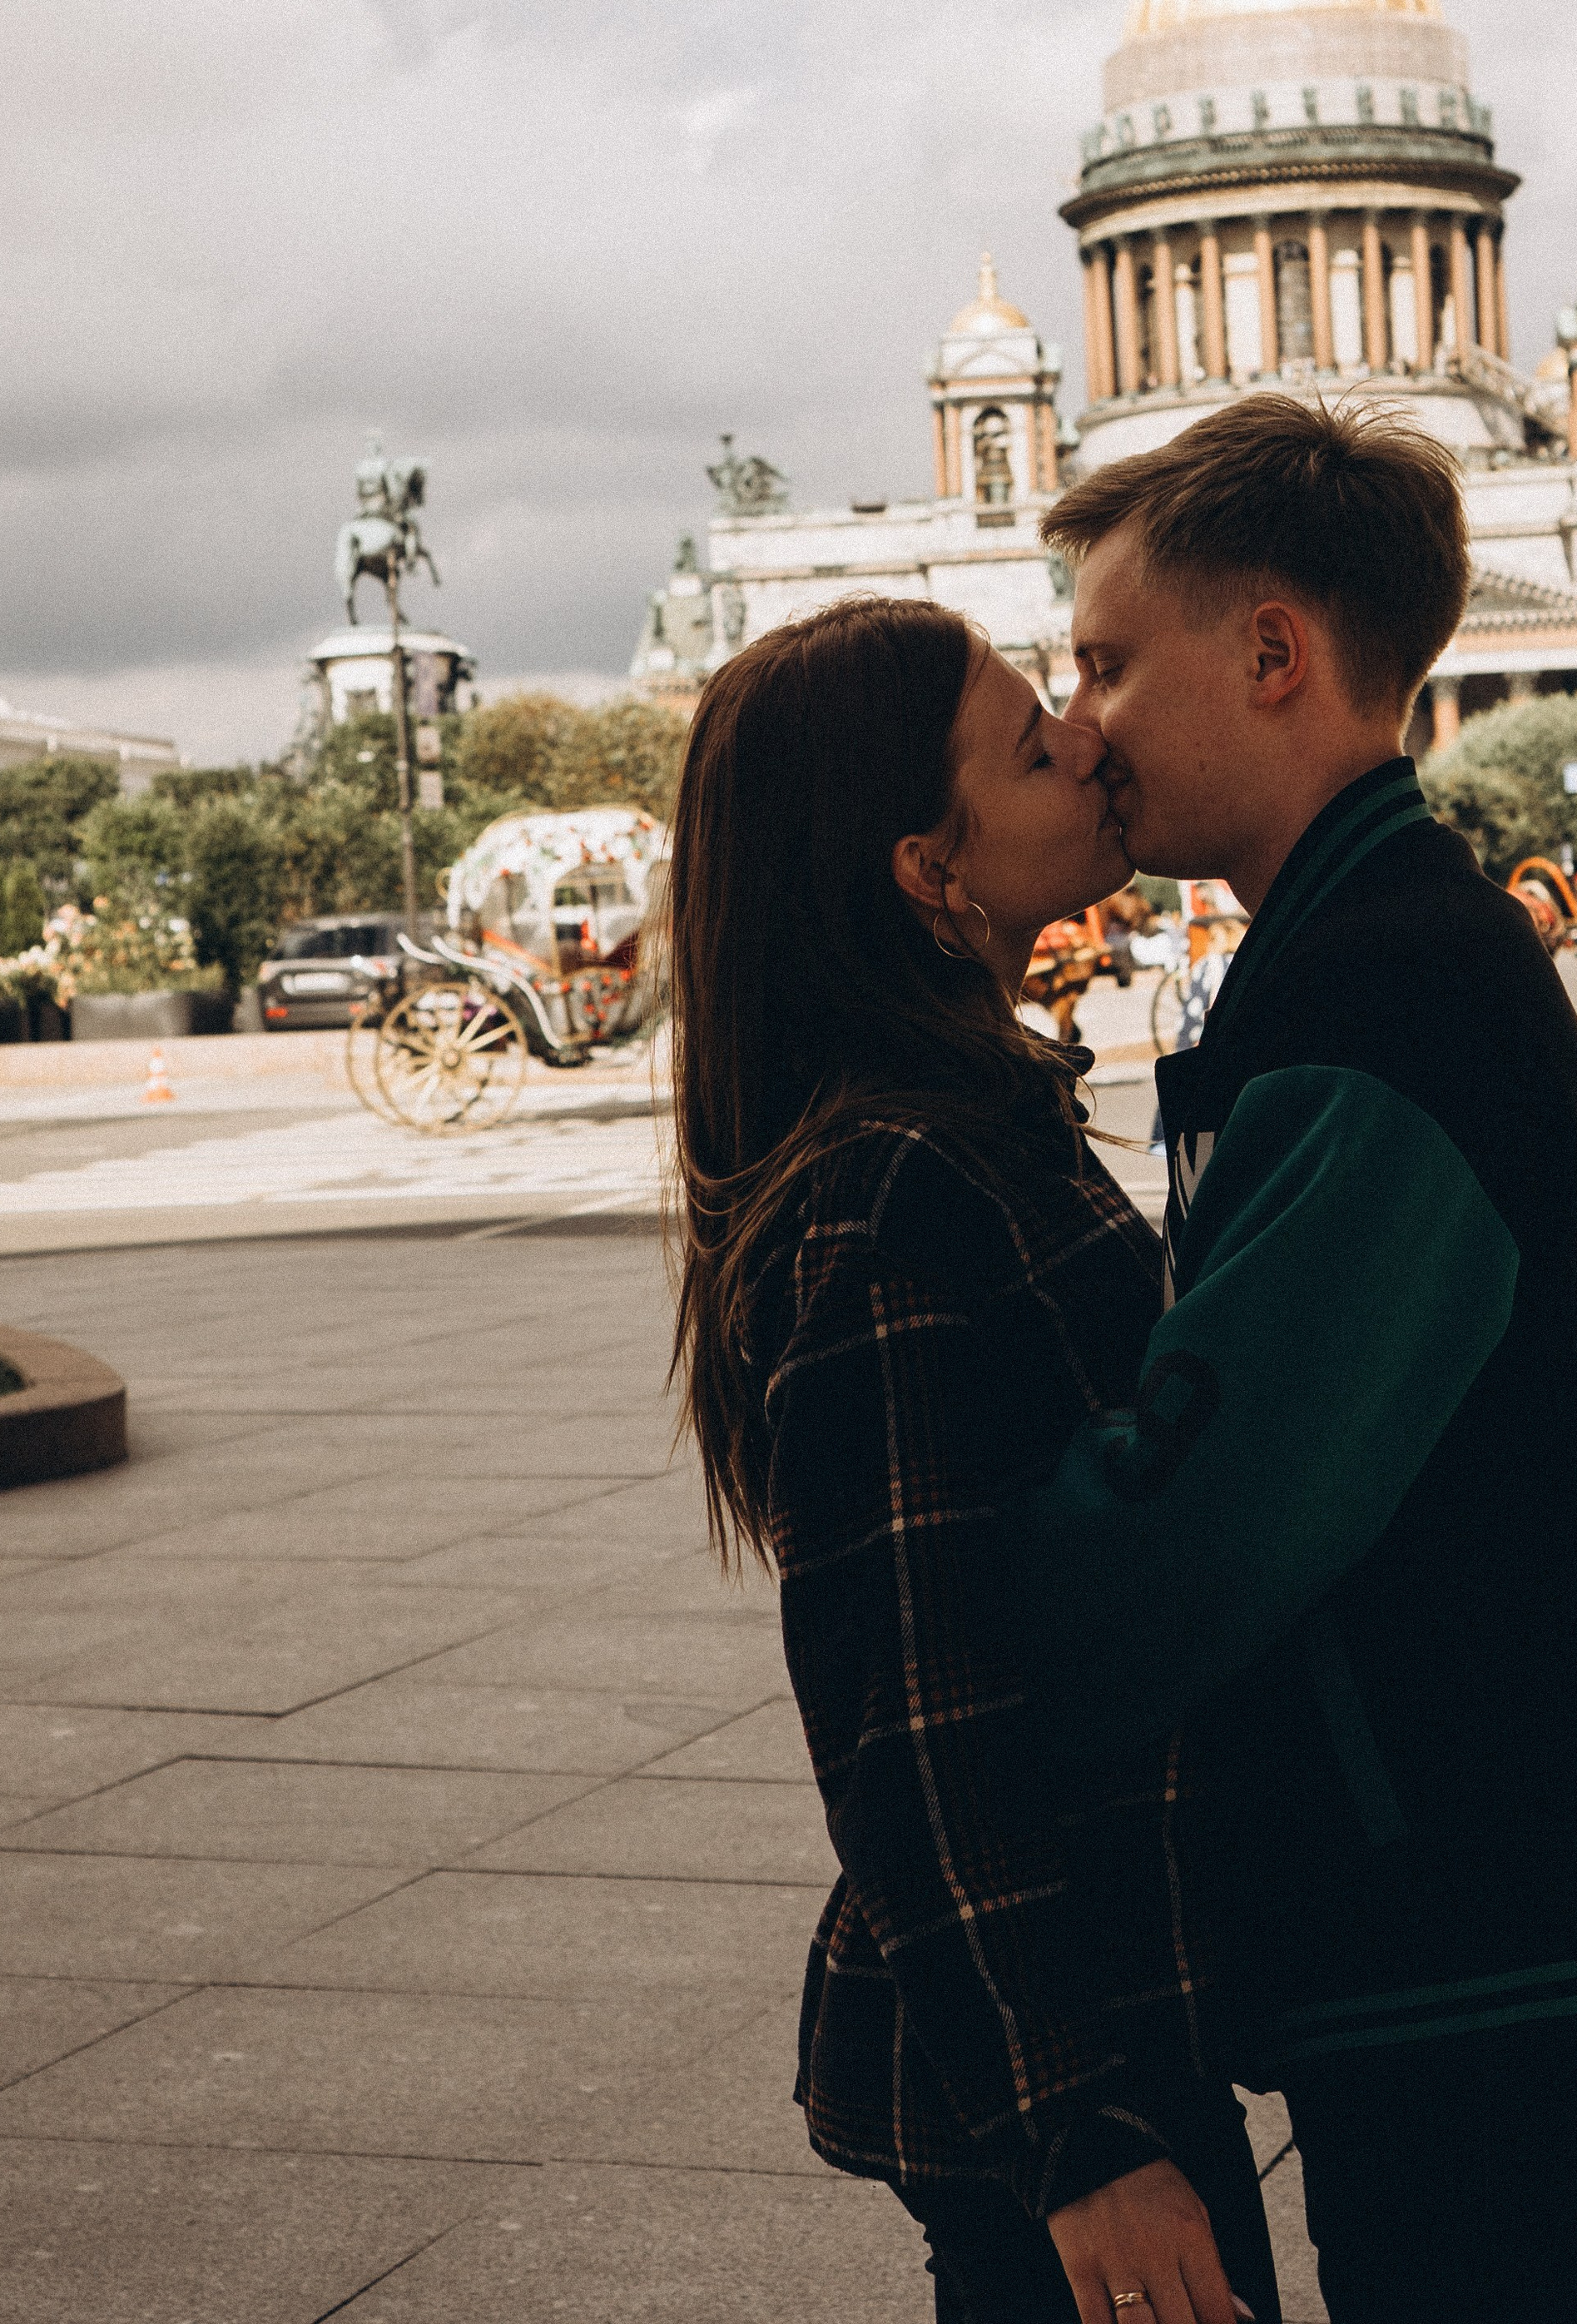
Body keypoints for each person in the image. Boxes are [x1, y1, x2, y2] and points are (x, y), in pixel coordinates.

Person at [1017, 394, 1577, 2324]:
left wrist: (954, 1585)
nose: (1077, 715)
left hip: (1507, 1928)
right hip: (1546, 1892)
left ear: (1271, 651)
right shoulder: (1382, 945)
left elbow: (1188, 1539)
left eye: (1106, 658)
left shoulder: (1377, 997)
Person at [665, 600, 1281, 2324]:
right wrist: (1072, 2130)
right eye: (1031, 742)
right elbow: (904, 1706)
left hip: (1097, 2009)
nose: (1087, 739)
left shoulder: (960, 1123)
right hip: (1062, 2055)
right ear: (929, 874)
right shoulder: (891, 1191)